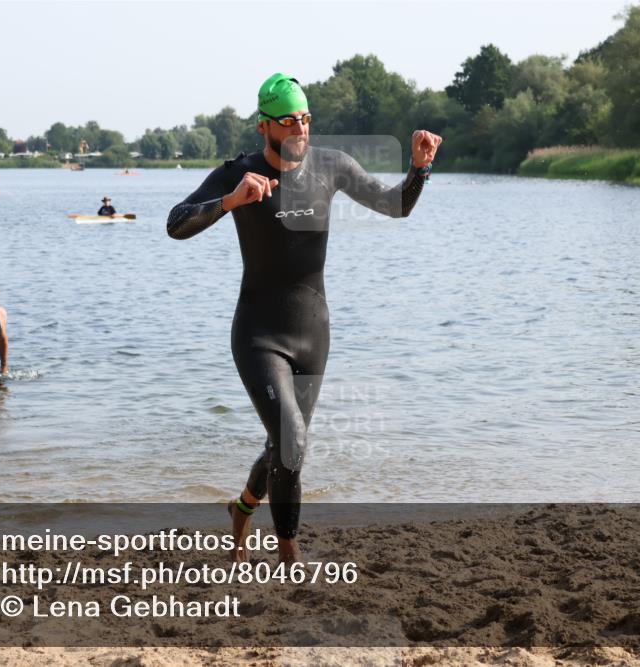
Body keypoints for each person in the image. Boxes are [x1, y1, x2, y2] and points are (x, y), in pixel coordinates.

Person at [167, 73, 441, 563]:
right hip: (258, 333)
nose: (300, 129)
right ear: (264, 127)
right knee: (290, 438)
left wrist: (419, 169)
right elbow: (176, 223)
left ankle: (242, 509)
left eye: (306, 119)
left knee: (284, 443)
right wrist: (231, 202)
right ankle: (290, 554)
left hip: (313, 331)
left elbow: (395, 205)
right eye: (289, 120)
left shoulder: (330, 167)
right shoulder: (239, 173)